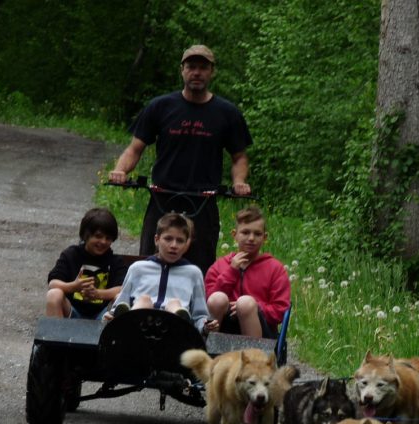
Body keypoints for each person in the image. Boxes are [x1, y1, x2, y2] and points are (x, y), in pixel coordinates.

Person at [108, 44, 253, 276]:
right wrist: (120, 170)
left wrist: (239, 182)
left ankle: (193, 311)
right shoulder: (160, 106)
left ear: (211, 72)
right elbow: (135, 148)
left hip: (203, 202)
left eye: (203, 68)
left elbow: (239, 157)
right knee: (149, 263)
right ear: (182, 70)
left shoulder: (227, 113)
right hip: (162, 197)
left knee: (201, 269)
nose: (197, 72)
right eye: (191, 67)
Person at [108, 213, 218, 334]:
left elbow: (200, 315)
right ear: (157, 240)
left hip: (173, 331)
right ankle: (128, 318)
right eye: (168, 239)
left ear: (186, 244)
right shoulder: (138, 269)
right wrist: (111, 316)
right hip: (139, 328)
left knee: (174, 304)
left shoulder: (193, 273)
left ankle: (180, 317)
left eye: (180, 241)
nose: (174, 245)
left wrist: (206, 326)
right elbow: (120, 304)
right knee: (144, 300)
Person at [205, 206, 290, 338]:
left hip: (261, 331)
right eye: (245, 232)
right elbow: (208, 303)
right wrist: (231, 271)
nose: (251, 238)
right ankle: (209, 351)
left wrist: (256, 307)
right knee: (217, 298)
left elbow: (280, 311)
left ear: (265, 237)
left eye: (257, 234)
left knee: (245, 303)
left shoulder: (275, 268)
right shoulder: (219, 266)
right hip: (224, 326)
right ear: (235, 235)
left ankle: (254, 357)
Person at [46, 207, 128, 320]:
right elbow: (53, 283)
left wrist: (98, 294)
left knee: (121, 300)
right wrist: (74, 286)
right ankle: (54, 336)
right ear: (85, 235)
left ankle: (114, 337)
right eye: (98, 236)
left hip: (103, 315)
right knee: (54, 294)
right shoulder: (71, 255)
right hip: (72, 311)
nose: (103, 242)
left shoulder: (115, 261)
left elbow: (122, 289)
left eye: (108, 238)